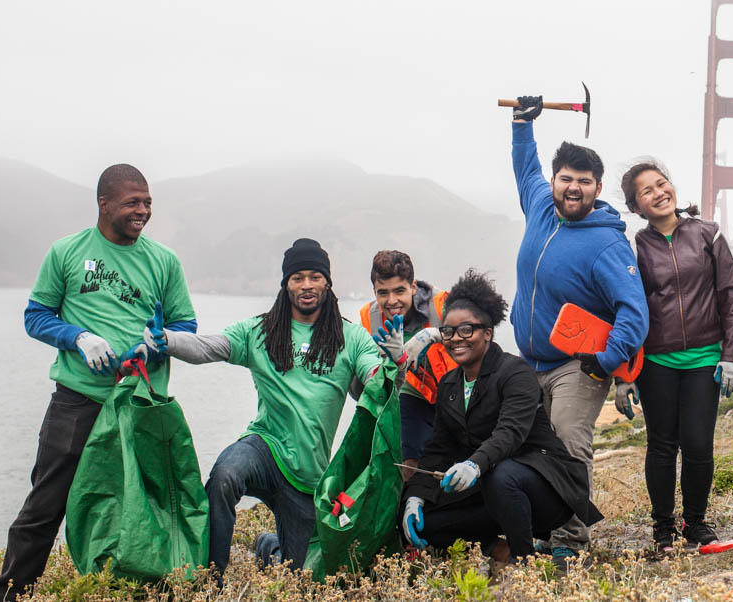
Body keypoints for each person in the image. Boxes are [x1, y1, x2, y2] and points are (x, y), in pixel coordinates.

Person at [0, 165, 197, 601]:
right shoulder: (66, 252)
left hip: (141, 403)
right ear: (104, 204)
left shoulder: (164, 261)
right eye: (132, 203)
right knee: (46, 504)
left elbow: (185, 323)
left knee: (145, 508)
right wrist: (77, 336)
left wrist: (156, 345)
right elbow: (36, 316)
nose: (143, 211)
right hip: (77, 402)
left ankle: (143, 591)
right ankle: (6, 592)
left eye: (148, 203)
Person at [147, 238, 399, 574]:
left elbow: (372, 376)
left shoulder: (349, 337)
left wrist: (394, 361)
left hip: (308, 476)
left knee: (301, 575)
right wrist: (169, 340)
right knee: (224, 476)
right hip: (265, 447)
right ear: (286, 284)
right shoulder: (261, 330)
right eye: (297, 277)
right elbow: (210, 347)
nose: (306, 285)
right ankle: (211, 578)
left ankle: (269, 547)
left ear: (327, 282)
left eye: (314, 276)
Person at [508, 97, 649, 567]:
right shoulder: (540, 208)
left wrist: (607, 361)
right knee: (532, 447)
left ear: (598, 188)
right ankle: (542, 530)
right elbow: (524, 166)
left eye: (583, 182)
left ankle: (570, 538)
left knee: (569, 442)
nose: (573, 188)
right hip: (529, 360)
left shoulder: (607, 241)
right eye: (565, 178)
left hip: (577, 365)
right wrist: (522, 124)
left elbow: (634, 310)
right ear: (554, 182)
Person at [400, 270, 602, 563]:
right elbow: (438, 449)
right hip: (491, 490)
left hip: (541, 488)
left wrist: (473, 464)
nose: (456, 338)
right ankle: (496, 548)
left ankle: (523, 563)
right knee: (420, 516)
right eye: (448, 332)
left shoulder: (515, 372)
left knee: (501, 473)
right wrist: (415, 496)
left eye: (466, 330)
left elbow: (510, 433)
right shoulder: (450, 384)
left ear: (487, 332)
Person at [617, 159, 733, 550]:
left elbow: (730, 295)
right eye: (646, 191)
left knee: (698, 444)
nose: (659, 193)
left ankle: (695, 521)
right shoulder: (634, 246)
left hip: (706, 360)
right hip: (656, 362)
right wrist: (625, 375)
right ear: (636, 207)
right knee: (661, 445)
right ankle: (662, 526)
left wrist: (732, 354)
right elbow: (624, 309)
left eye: (662, 183)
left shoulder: (710, 233)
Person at [358, 250, 452, 479]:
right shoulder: (368, 318)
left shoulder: (441, 303)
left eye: (399, 290)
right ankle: (408, 498)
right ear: (374, 292)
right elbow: (364, 384)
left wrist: (433, 334)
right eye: (383, 293)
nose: (392, 301)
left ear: (413, 286)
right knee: (407, 451)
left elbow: (475, 332)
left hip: (455, 390)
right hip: (414, 392)